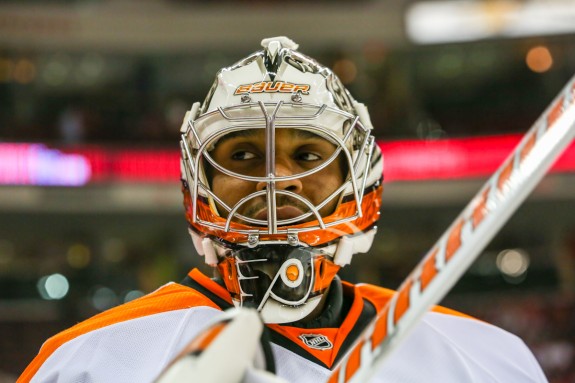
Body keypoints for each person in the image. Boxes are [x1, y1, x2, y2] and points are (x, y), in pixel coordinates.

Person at [19, 37, 547, 383]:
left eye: (308, 154)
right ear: (199, 186)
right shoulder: (87, 361)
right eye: (244, 155)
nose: (277, 179)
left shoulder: (487, 358)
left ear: (357, 181)